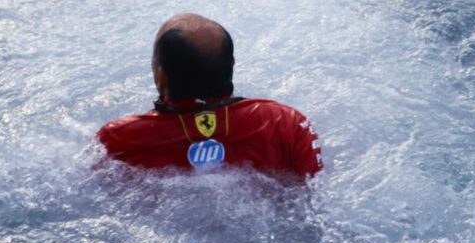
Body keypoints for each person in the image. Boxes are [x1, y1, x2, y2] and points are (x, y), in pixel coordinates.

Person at [97, 15, 321, 180]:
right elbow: (313, 195)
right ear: (231, 65)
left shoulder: (118, 140)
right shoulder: (287, 124)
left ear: (160, 75)